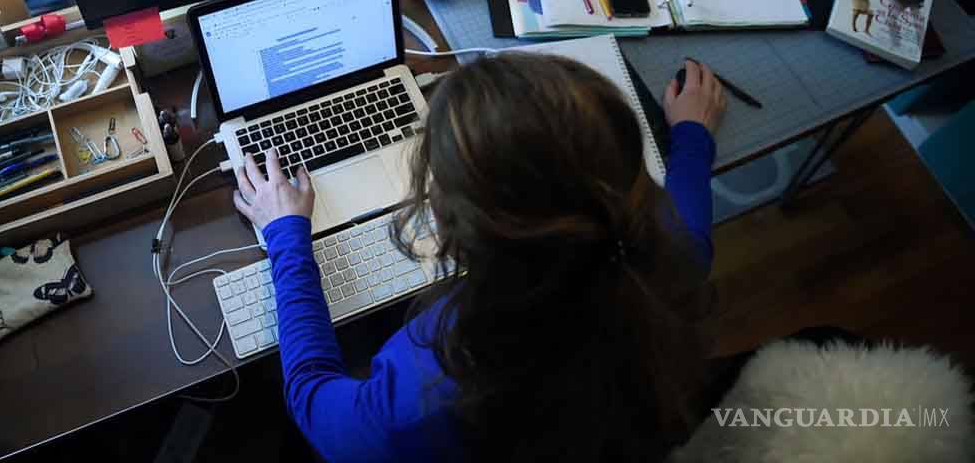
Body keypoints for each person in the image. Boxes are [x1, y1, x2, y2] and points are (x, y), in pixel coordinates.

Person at [233, 56, 724, 462]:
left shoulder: (424, 396)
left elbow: (311, 396)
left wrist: (286, 235)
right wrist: (692, 136)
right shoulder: (665, 261)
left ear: (457, 224)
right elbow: (689, 226)